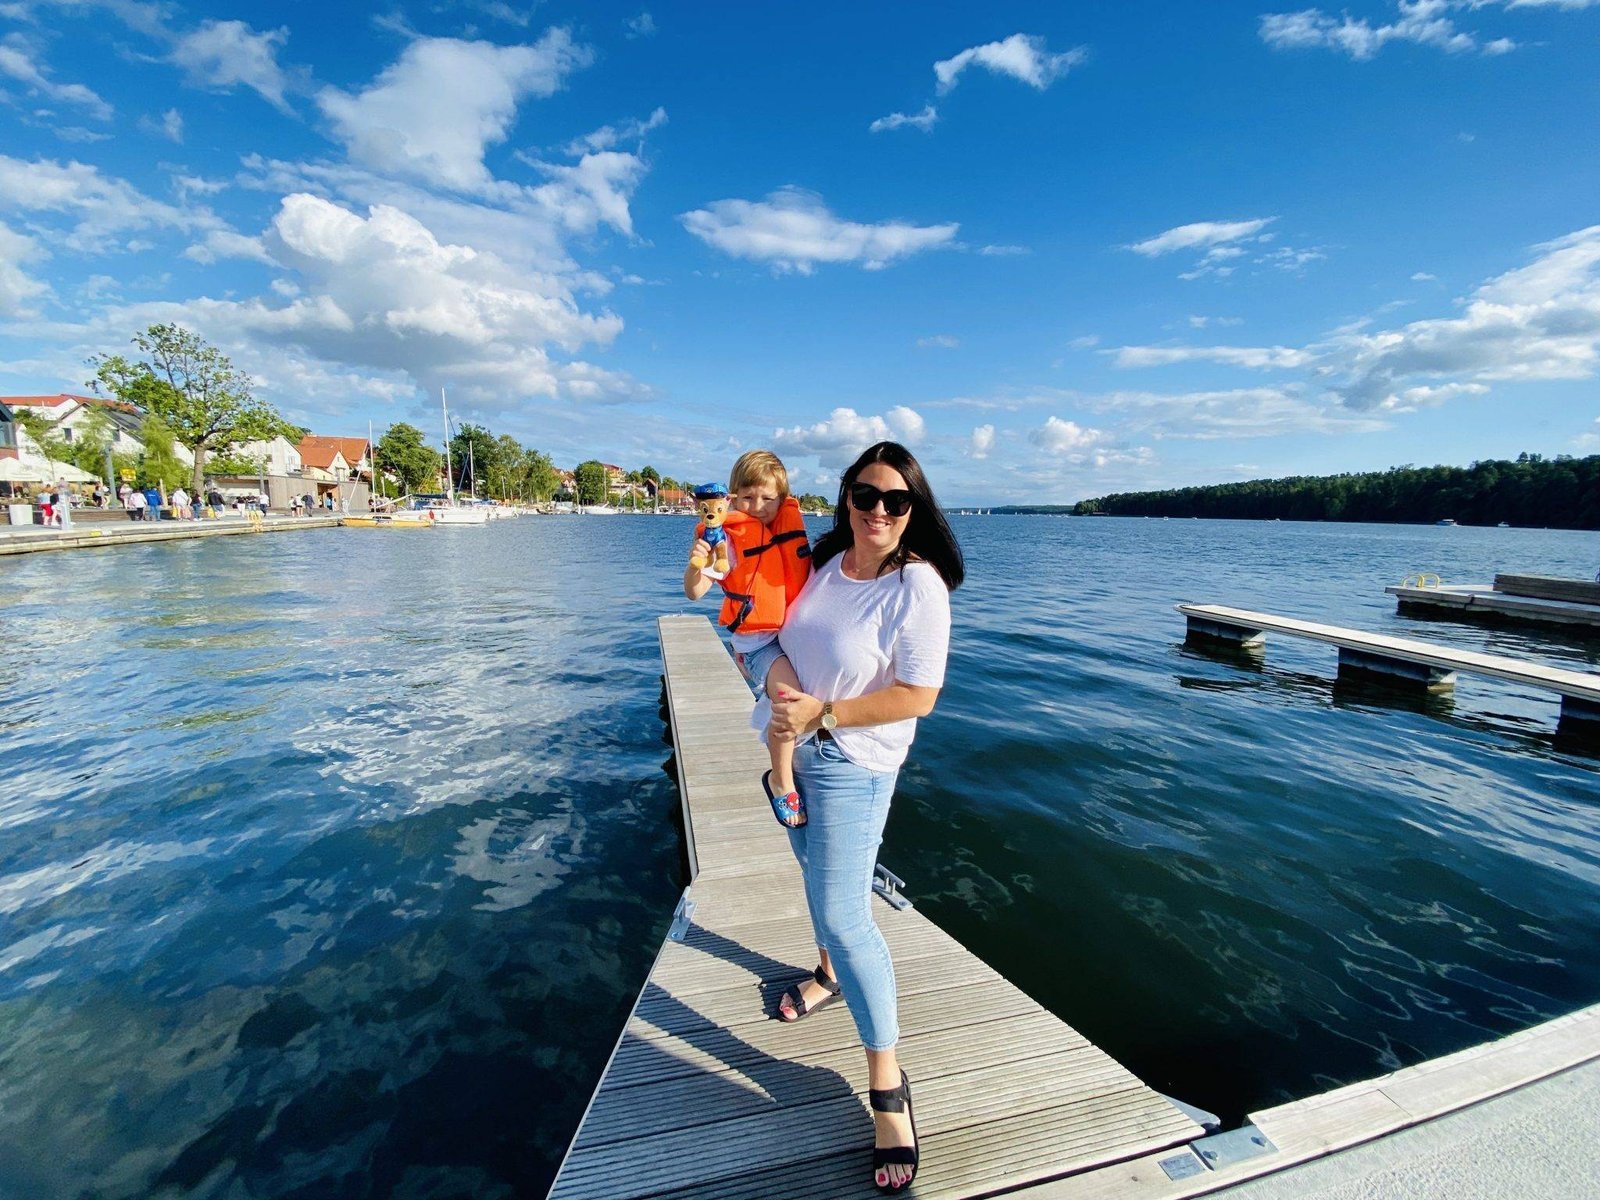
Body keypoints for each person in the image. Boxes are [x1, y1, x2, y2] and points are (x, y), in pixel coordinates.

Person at [764, 441, 962, 1194]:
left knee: (847, 915)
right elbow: (765, 640)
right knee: (816, 883)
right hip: (791, 751)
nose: (877, 511)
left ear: (914, 509)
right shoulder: (820, 564)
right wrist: (786, 695)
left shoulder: (919, 586)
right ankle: (826, 974)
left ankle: (888, 1088)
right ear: (845, 495)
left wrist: (827, 714)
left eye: (895, 500)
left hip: (854, 765)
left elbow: (919, 694)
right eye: (865, 495)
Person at [683, 450, 812, 825]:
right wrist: (698, 562)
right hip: (759, 643)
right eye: (747, 498)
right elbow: (694, 592)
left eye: (768, 498)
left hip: (791, 637)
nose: (757, 507)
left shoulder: (787, 530)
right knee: (788, 698)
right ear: (731, 499)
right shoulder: (730, 543)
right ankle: (781, 781)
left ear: (782, 498)